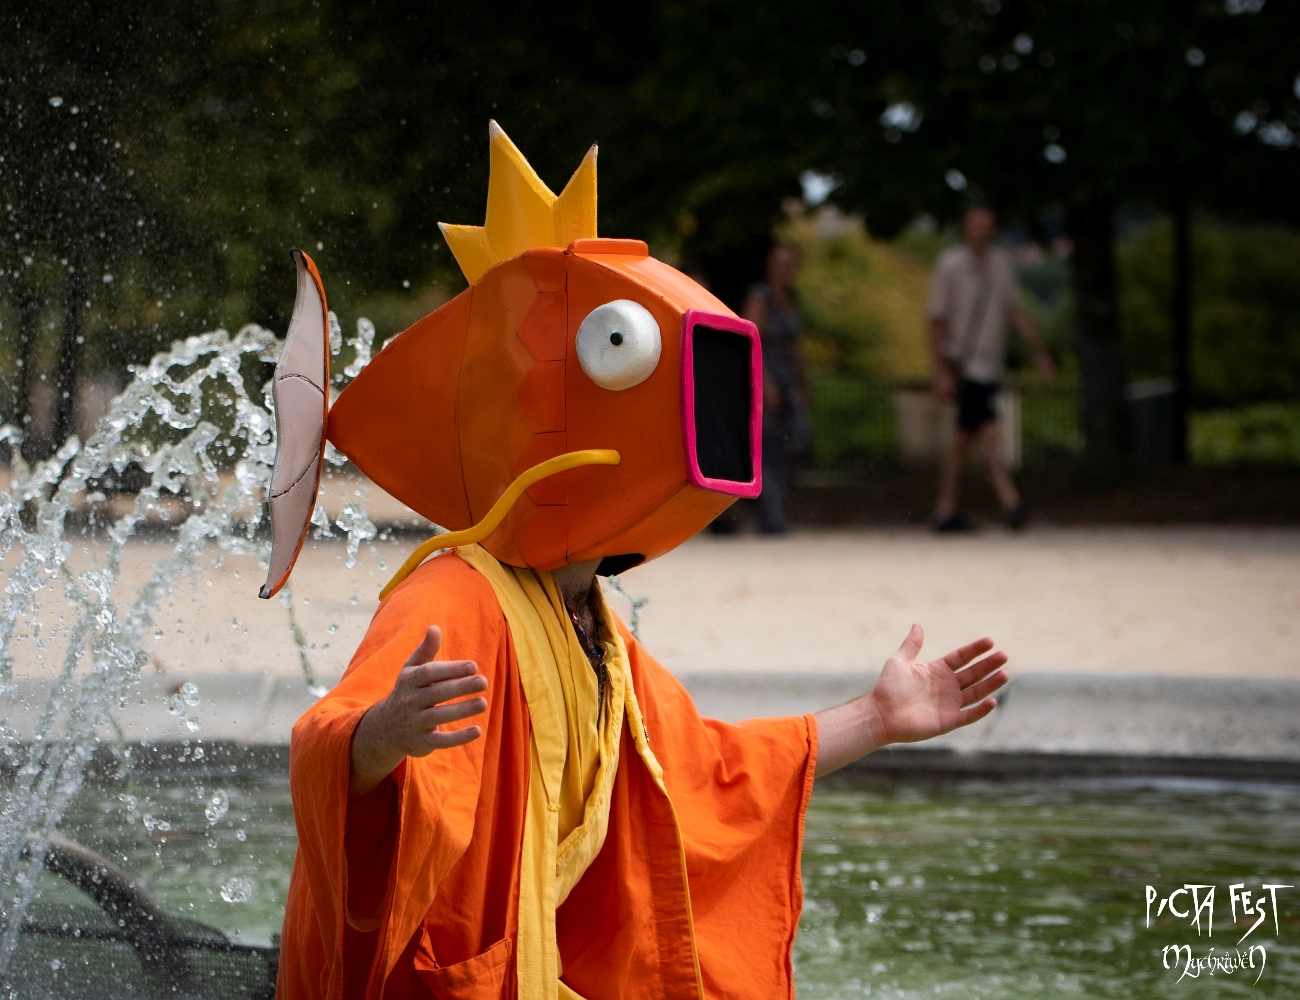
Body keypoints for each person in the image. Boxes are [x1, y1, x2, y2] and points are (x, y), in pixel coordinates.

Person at [268, 124, 1010, 999]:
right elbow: (324, 746)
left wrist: (878, 718)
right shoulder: (456, 596)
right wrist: (379, 737)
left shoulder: (591, 626)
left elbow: (709, 774)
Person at [927, 206, 1057, 531]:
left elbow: (1015, 310)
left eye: (988, 225)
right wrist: (941, 370)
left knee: (962, 443)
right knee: (991, 433)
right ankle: (1012, 503)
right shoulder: (950, 266)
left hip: (989, 366)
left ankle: (945, 511)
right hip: (965, 366)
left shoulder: (1001, 264)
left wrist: (1039, 352)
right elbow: (935, 320)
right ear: (965, 228)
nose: (983, 231)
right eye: (977, 225)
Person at [743, 244, 811, 534]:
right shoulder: (761, 297)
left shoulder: (791, 298)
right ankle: (769, 517)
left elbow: (796, 348)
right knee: (768, 450)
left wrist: (802, 383)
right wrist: (766, 385)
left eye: (789, 263)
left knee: (799, 444)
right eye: (779, 263)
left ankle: (767, 507)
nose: (785, 269)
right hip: (767, 381)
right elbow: (751, 341)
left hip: (789, 384)